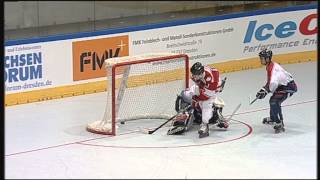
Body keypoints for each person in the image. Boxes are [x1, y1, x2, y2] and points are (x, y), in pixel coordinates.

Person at [168, 62, 228, 138]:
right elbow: (198, 86)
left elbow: (206, 96)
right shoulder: (197, 75)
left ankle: (208, 123)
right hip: (203, 85)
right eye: (193, 74)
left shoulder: (212, 80)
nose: (193, 77)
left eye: (195, 75)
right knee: (185, 94)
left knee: (206, 105)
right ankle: (182, 117)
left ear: (200, 74)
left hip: (212, 90)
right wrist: (193, 98)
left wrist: (195, 99)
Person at [256, 49, 297, 133]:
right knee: (273, 99)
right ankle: (273, 118)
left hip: (288, 87)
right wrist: (264, 89)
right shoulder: (270, 65)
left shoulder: (273, 69)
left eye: (262, 58)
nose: (261, 60)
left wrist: (265, 92)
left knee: (274, 101)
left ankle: (279, 122)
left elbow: (273, 83)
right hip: (283, 85)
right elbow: (270, 82)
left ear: (267, 59)